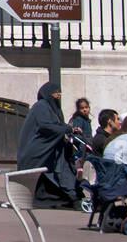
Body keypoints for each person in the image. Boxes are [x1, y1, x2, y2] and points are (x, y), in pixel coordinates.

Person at [17, 81, 82, 209]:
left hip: (51, 151)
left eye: (59, 92)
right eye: (55, 92)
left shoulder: (53, 108)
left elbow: (58, 125)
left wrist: (68, 129)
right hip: (38, 150)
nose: (58, 95)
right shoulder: (41, 106)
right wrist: (67, 129)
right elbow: (46, 126)